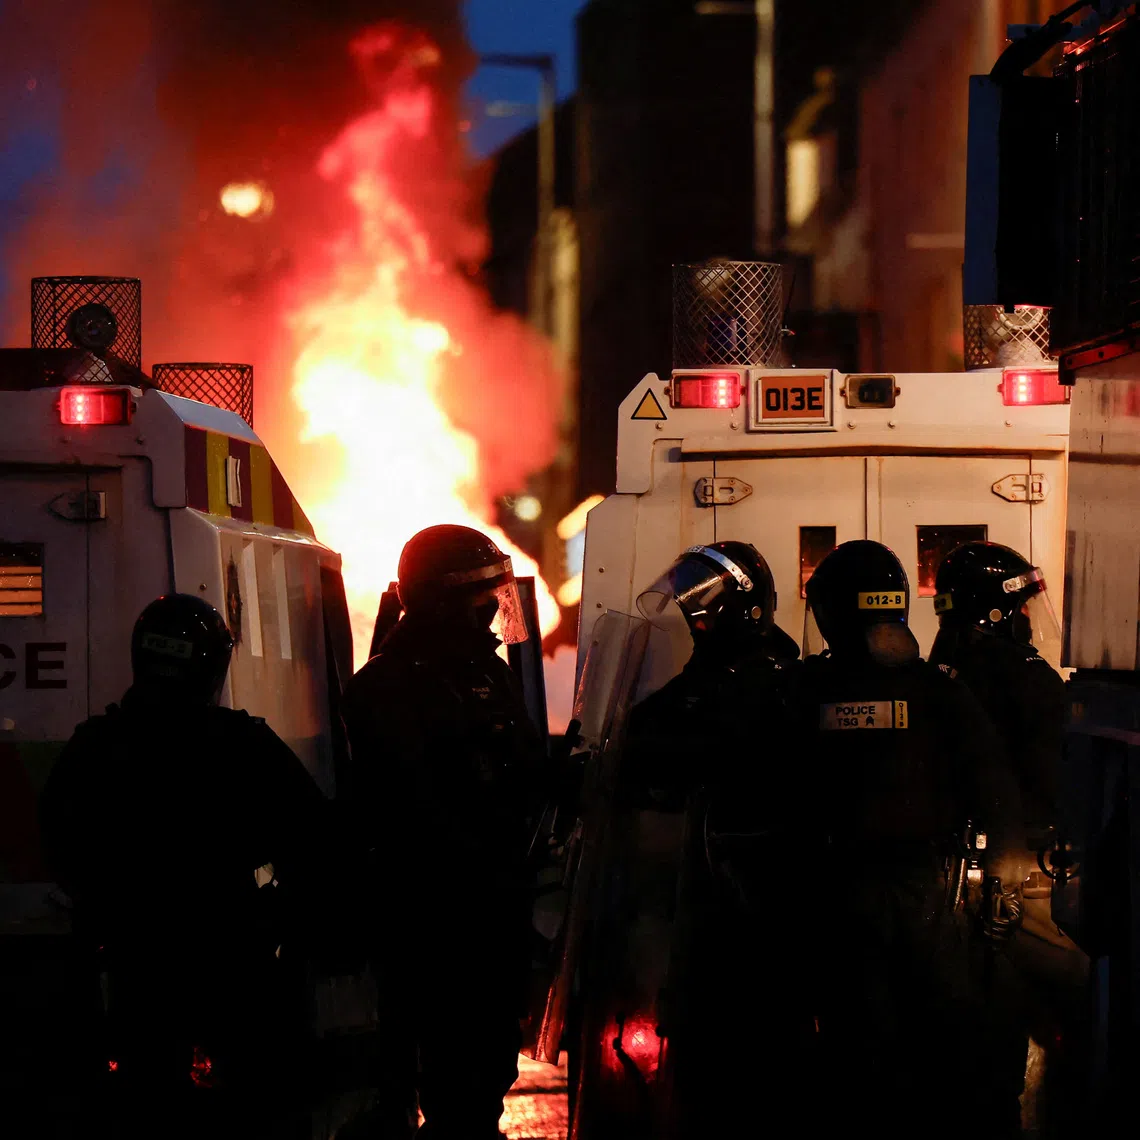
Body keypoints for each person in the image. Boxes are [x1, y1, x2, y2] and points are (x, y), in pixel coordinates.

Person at [39, 594, 331, 1139]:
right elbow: (313, 838)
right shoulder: (244, 744)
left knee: (147, 1104)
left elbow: (60, 842)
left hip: (133, 964)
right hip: (235, 963)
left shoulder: (94, 746)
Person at [792, 540, 1028, 1139]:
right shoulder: (939, 688)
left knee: (858, 1046)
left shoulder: (803, 691)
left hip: (837, 896)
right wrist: (1002, 880)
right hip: (931, 894)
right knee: (942, 1035)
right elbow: (993, 783)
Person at [339, 525, 543, 1140]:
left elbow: (522, 768)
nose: (492, 613)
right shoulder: (387, 686)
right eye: (482, 600)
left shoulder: (490, 674)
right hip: (431, 915)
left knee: (487, 1066)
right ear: (443, 603)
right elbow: (413, 807)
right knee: (447, 1067)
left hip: (492, 907)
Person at [594, 542, 802, 1137]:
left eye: (705, 614)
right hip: (703, 907)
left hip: (755, 913)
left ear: (742, 610)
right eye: (693, 616)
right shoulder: (715, 675)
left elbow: (699, 748)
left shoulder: (771, 684)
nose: (697, 625)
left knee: (746, 1070)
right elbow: (648, 730)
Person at [930, 540, 1087, 1135]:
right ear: (996, 613)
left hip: (950, 884)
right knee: (1087, 999)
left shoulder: (940, 675)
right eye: (1020, 608)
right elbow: (1057, 784)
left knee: (980, 1033)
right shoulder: (1025, 680)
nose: (1028, 620)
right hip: (1028, 879)